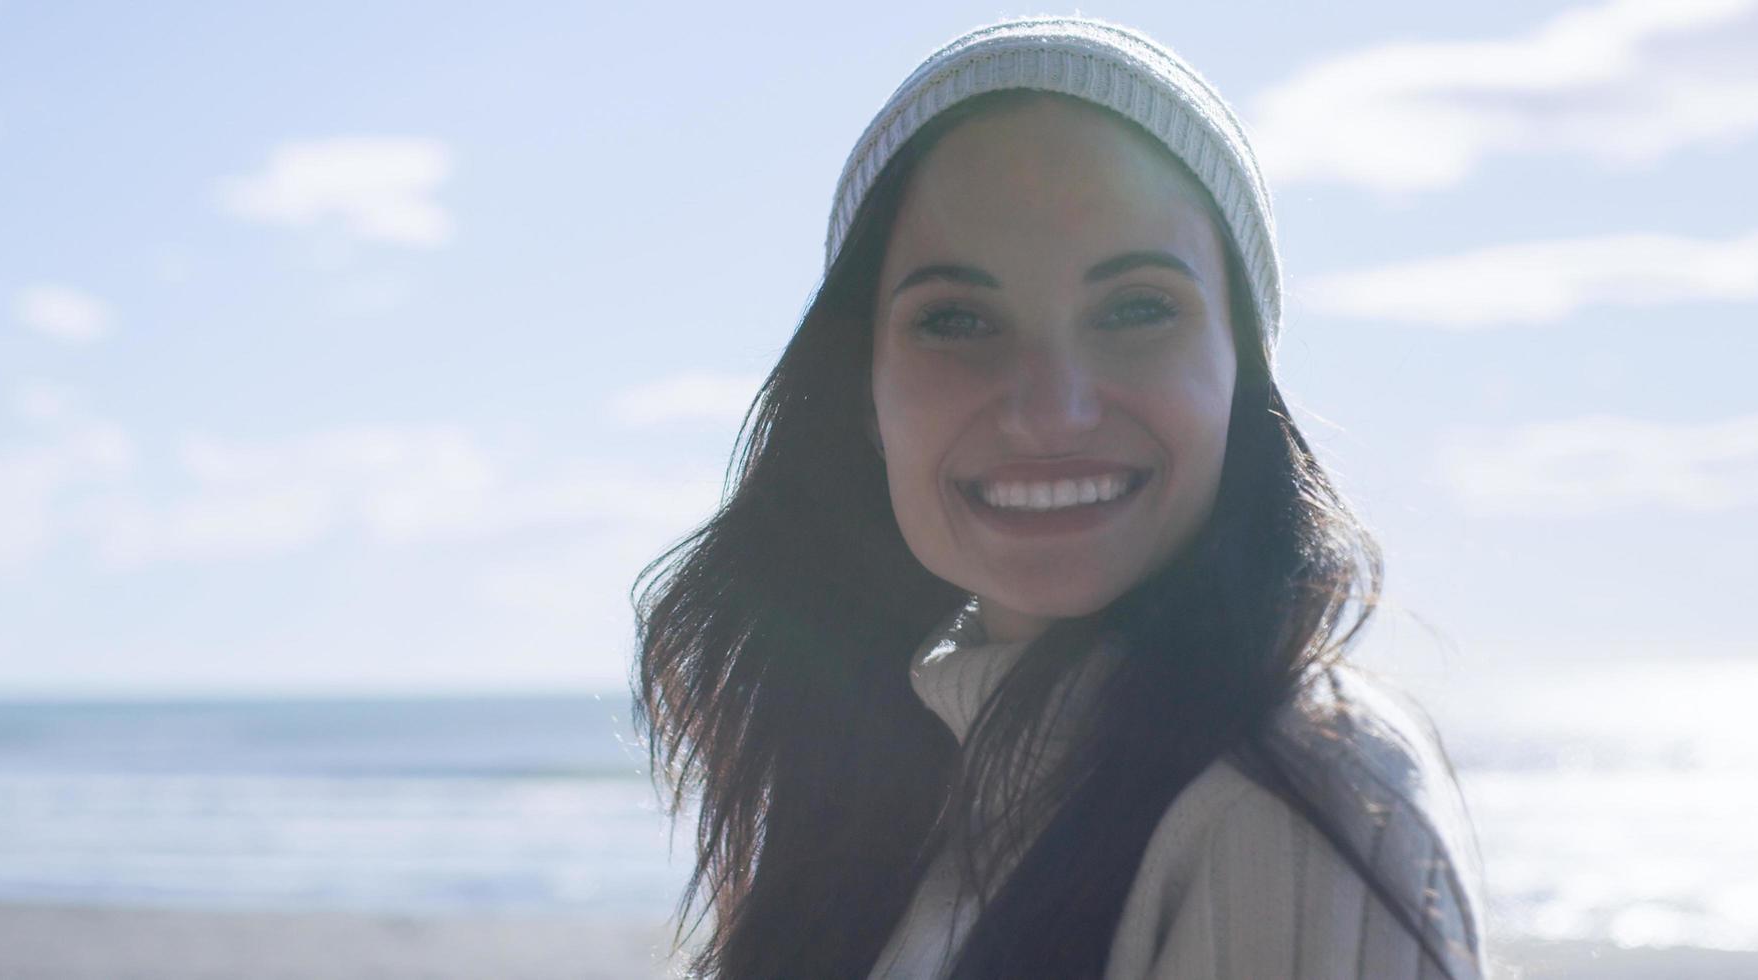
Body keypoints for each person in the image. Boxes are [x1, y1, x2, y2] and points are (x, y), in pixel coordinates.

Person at [634, 15, 1489, 979]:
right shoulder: (909, 800)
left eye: (1136, 310)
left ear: (1243, 377)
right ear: (863, 395)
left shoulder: (1301, 799)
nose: (1051, 409)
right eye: (958, 320)